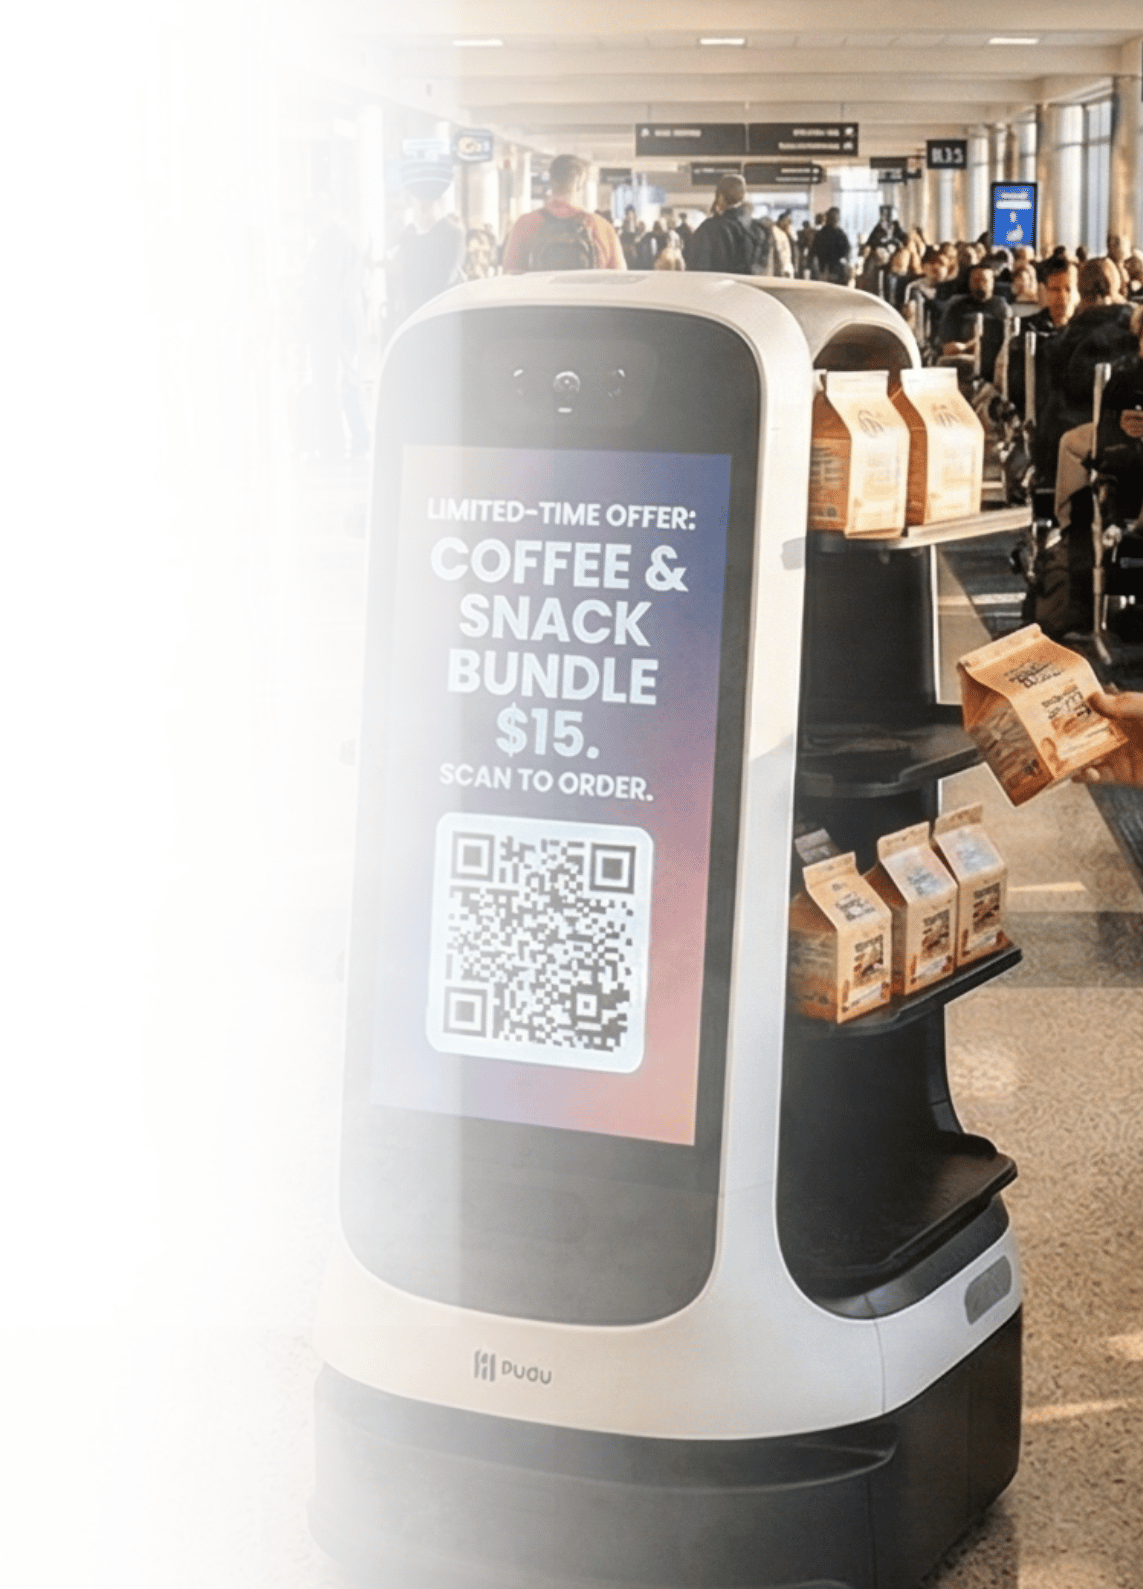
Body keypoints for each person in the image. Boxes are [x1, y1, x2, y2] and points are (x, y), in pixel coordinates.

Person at [501, 154, 626, 272]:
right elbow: (620, 280)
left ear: (551, 179)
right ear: (579, 179)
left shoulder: (525, 224)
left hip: (542, 294)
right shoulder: (601, 227)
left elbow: (510, 275)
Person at [937, 263, 1010, 384]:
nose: (980, 283)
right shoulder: (957, 307)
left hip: (993, 359)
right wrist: (966, 347)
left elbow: (1005, 341)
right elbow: (947, 344)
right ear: (969, 282)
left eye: (984, 280)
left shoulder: (1001, 308)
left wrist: (970, 346)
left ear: (992, 283)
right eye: (975, 280)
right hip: (962, 358)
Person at [687, 174, 769, 274]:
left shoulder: (708, 228)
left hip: (719, 288)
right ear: (742, 197)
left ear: (721, 197)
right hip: (750, 289)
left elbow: (698, 269)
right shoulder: (759, 230)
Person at [809, 207, 851, 285]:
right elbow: (813, 253)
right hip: (825, 271)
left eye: (835, 218)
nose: (834, 220)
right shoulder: (821, 234)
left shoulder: (840, 234)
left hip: (835, 271)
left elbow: (847, 252)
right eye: (832, 218)